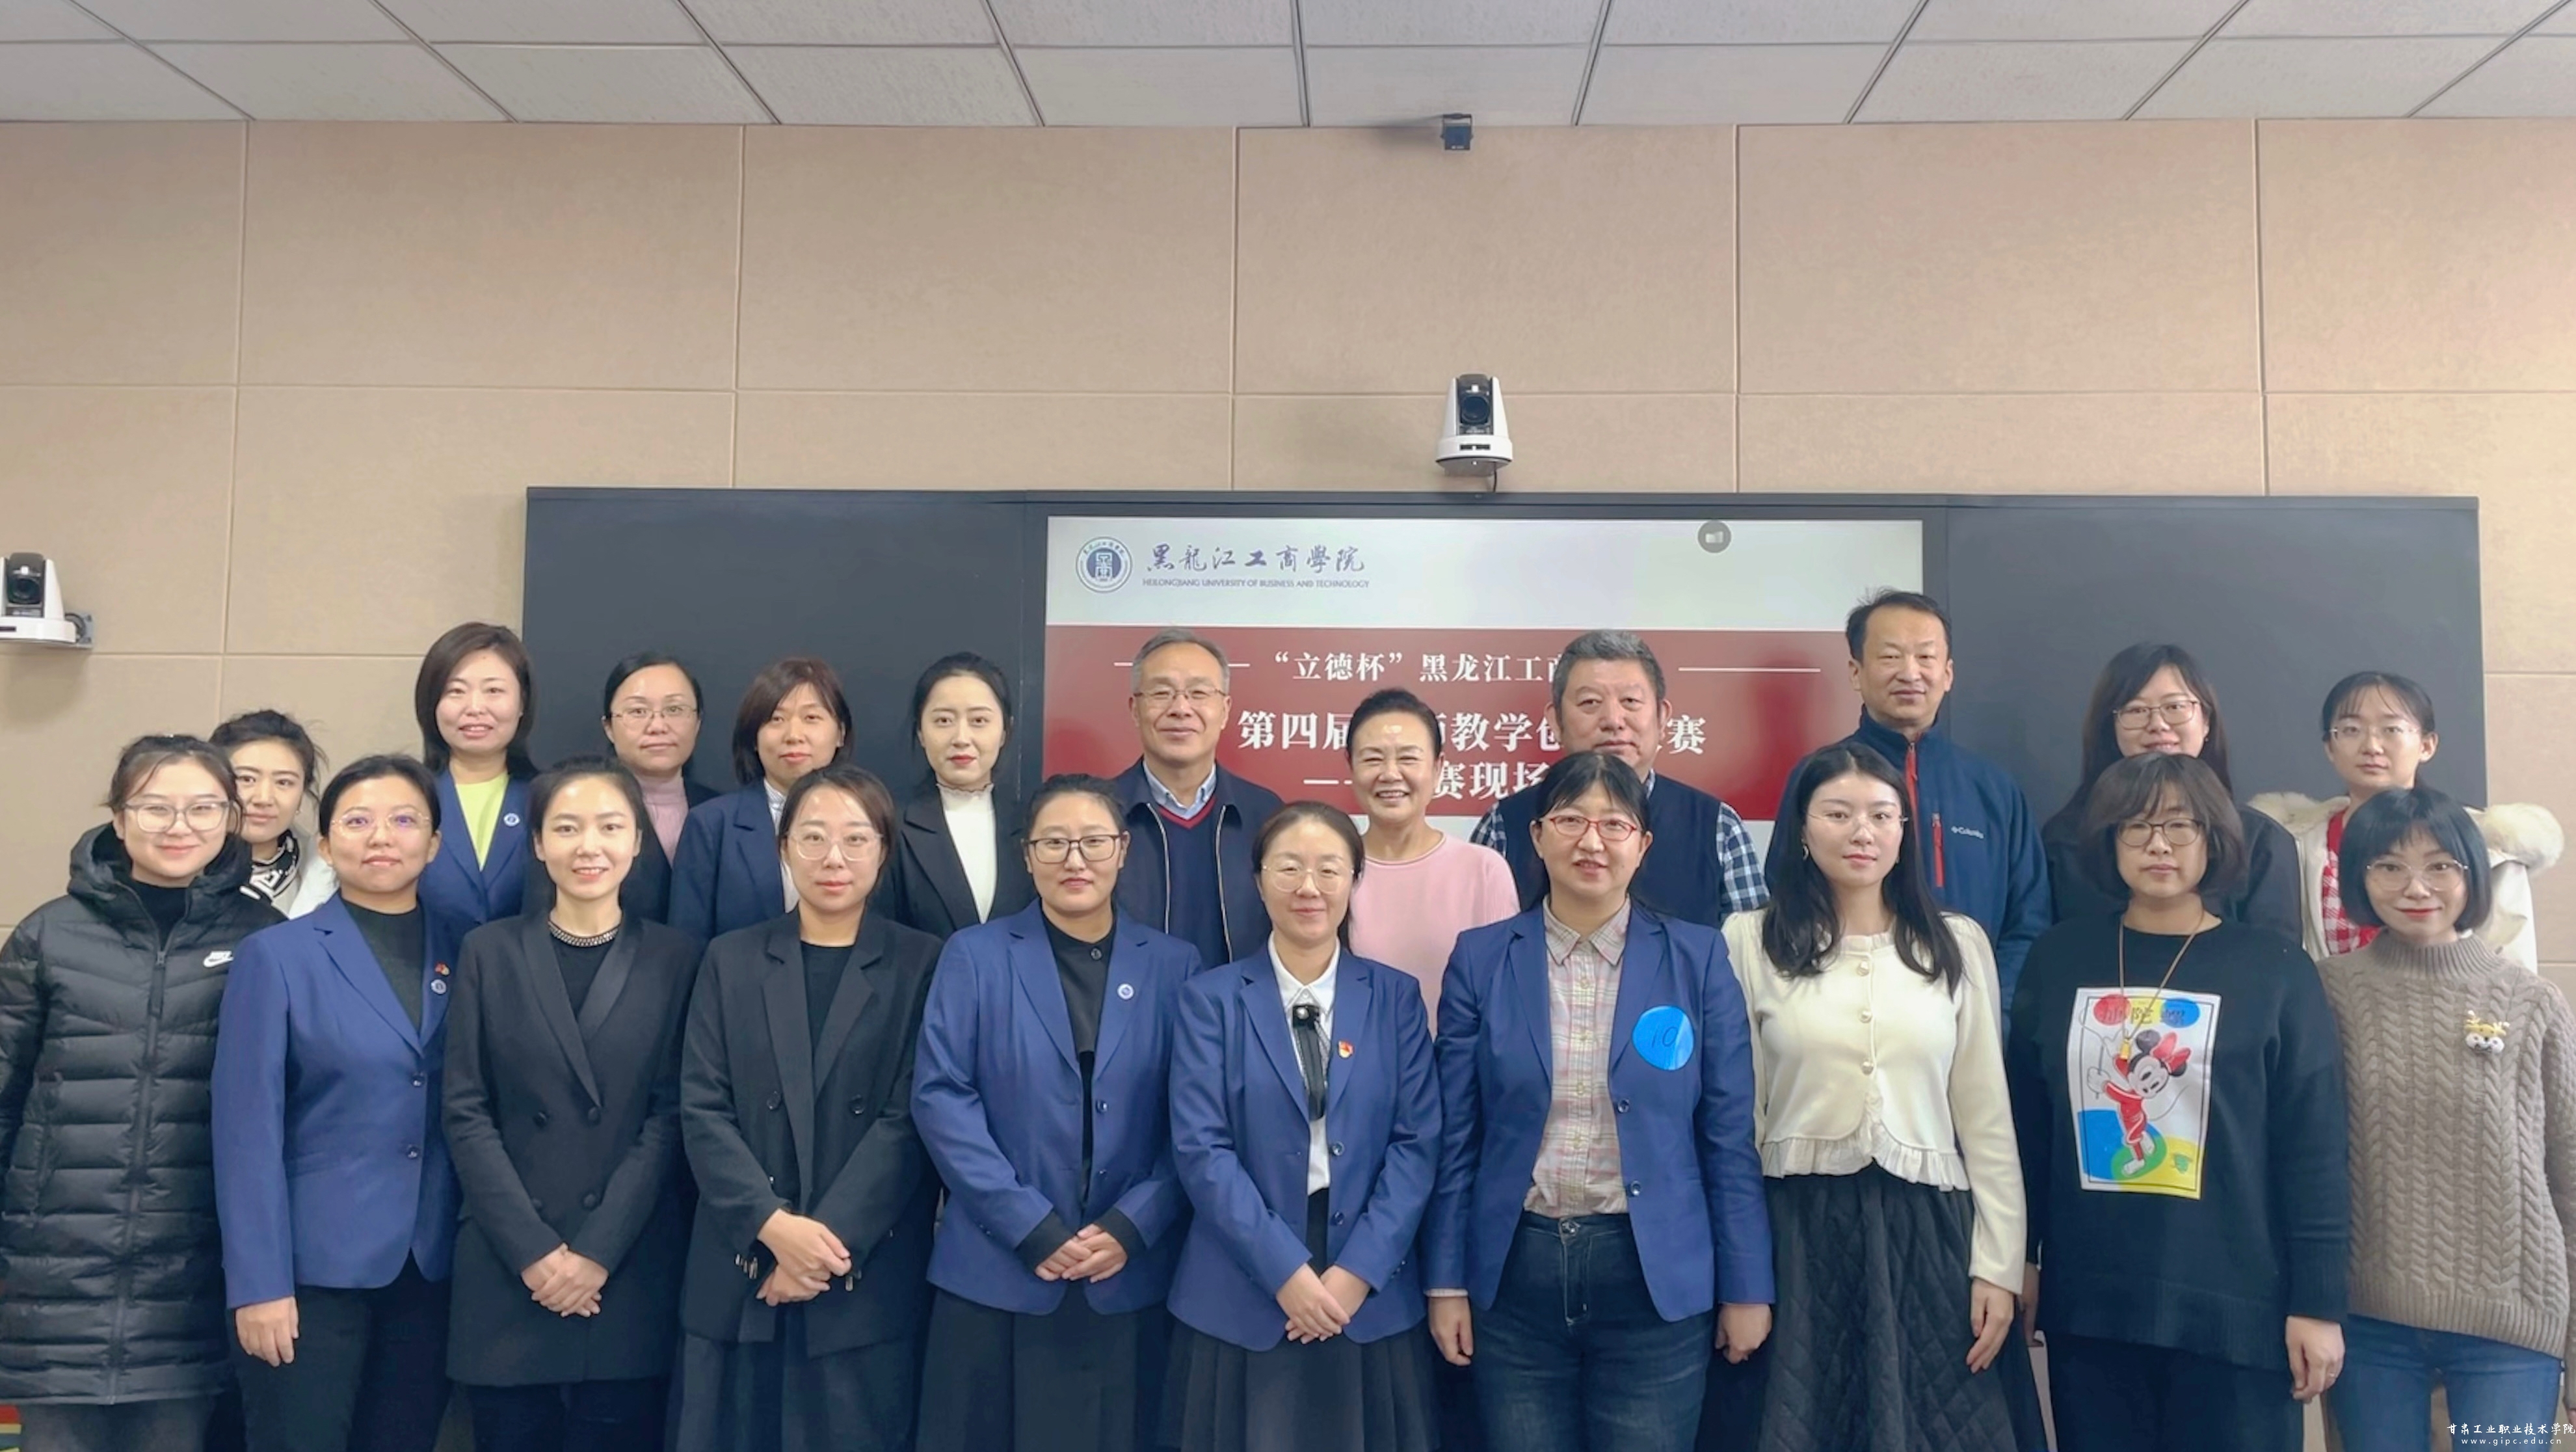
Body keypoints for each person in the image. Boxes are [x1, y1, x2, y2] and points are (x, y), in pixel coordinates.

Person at [1428, 751, 1773, 1452]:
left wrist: (1747, 1287)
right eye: (1570, 821)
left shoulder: (1698, 960)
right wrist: (1445, 1282)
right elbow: (1456, 1137)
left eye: (1614, 824)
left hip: (1653, 1280)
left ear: (1642, 845)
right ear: (1537, 836)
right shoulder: (1481, 958)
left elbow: (1726, 1140)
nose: (1591, 841)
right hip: (1514, 1279)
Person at [2006, 752, 2348, 1452]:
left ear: (2214, 838)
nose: (2157, 844)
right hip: (2093, 1306)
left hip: (2237, 1310)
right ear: (2107, 841)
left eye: (2178, 826)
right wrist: (2022, 1257)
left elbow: (2312, 1149)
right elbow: (2028, 1130)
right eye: (2135, 827)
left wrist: (2317, 1304)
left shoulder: (2275, 970)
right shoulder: (2059, 959)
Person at [1724, 744, 2023, 1452]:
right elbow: (1737, 1124)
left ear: (1902, 832)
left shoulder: (1956, 944)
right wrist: (1741, 1273)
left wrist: (1998, 1266)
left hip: (1930, 1237)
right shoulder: (1749, 940)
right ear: (1802, 829)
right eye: (1838, 814)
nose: (1862, 832)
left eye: (1881, 816)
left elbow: (1985, 1119)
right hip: (1796, 1233)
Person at [0, 736, 279, 1452]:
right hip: (53, 1277)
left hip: (188, 1280)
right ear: (119, 818)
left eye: (202, 808)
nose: (178, 826)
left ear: (230, 820)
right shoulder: (48, 935)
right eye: (155, 807)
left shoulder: (266, 941)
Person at [912, 773, 1202, 1452]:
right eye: (1054, 843)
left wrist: (1133, 1225)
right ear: (1027, 855)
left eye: (1093, 842)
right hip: (996, 1268)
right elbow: (942, 1097)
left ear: (1122, 850)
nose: (1075, 860)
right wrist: (1028, 1224)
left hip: (1126, 1269)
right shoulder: (974, 956)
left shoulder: (1175, 965)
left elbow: (1197, 1119)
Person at [674, 762, 942, 1452]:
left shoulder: (923, 964)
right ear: (783, 848)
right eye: (813, 837)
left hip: (862, 1273)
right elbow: (702, 1108)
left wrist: (817, 1249)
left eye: (856, 839)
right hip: (742, 1261)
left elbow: (908, 1119)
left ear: (883, 851)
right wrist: (772, 1228)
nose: (833, 858)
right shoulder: (730, 959)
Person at [1163, 801, 1444, 1452]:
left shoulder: (1395, 997)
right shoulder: (1210, 999)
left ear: (1354, 880)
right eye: (1288, 868)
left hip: (1366, 1281)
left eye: (1329, 869)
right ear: (1259, 882)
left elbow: (1417, 1144)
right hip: (1242, 1279)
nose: (1308, 887)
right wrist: (1283, 1271)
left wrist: (1357, 1272)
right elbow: (1201, 1149)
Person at [443, 757, 700, 1452]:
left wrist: (595, 1253)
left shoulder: (677, 958)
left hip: (626, 1264)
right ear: (537, 843)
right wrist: (534, 1252)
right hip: (508, 1265)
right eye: (567, 828)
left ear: (637, 841)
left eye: (610, 826)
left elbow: (671, 1115)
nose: (590, 846)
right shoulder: (488, 952)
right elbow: (466, 1109)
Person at [213, 755, 462, 1452]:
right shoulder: (276, 956)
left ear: (434, 843)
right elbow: (245, 1134)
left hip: (431, 1265)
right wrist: (258, 1284)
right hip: (307, 1275)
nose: (381, 836)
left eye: (404, 820)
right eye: (357, 821)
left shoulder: (472, 949)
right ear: (325, 844)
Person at [2315, 788, 2576, 1450]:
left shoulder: (2531, 1002)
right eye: (2388, 866)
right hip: (2368, 1323)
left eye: (2439, 866)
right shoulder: (2324, 993)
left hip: (2511, 1325)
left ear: (2472, 873)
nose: (2415, 887)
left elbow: (2569, 1175)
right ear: (2357, 878)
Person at [1772, 591, 2051, 1009]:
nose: (1910, 672)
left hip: (1974, 1016)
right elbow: (1787, 892)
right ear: (1856, 672)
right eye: (1890, 657)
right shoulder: (1819, 780)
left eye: (1925, 657)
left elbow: (2029, 923)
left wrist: (1996, 1011)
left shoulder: (1992, 788)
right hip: (1842, 1013)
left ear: (1948, 673)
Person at [2252, 671, 2562, 972]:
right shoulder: (2292, 845)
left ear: (2427, 745)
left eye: (2392, 729)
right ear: (2330, 748)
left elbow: (2513, 972)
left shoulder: (2487, 844)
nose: (2372, 746)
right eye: (2351, 730)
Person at [1474, 630, 1765, 930]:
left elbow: (1751, 950)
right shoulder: (1503, 826)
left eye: (1630, 701)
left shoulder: (1718, 826)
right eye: (1590, 702)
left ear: (1662, 718)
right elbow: (1480, 946)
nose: (1613, 720)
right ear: (1556, 721)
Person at [2041, 645, 2301, 941]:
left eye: (2175, 707)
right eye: (2136, 710)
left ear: (2206, 721)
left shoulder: (2262, 841)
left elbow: (2277, 960)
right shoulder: (2066, 840)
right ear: (2110, 727)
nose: (2158, 725)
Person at [1110, 628, 1284, 972]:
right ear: (1135, 709)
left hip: (1238, 1005)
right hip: (1128, 1004)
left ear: (1225, 710)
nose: (1181, 708)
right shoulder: (1099, 814)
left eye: (1199, 693)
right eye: (1162, 693)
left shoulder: (1266, 815)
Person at [1345, 688, 1518, 1015]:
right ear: (1351, 768)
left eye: (1408, 758)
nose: (1390, 774)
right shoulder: (1334, 872)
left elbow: (1504, 997)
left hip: (1459, 1048)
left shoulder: (1483, 870)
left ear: (1438, 768)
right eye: (1373, 759)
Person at [524, 651, 718, 927]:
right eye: (638, 711)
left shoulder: (719, 813)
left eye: (675, 710)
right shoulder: (567, 806)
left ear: (697, 722)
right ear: (609, 727)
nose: (658, 726)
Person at [670, 658, 855, 947]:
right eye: (776, 719)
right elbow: (687, 944)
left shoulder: (869, 820)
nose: (794, 735)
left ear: (840, 733)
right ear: (754, 738)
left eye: (811, 718)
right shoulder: (712, 825)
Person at [876, 652, 1035, 939]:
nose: (961, 738)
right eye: (944, 720)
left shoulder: (1034, 827)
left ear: (1004, 731)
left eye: (979, 720)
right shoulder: (891, 828)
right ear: (921, 732)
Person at [413, 621, 539, 948]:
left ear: (522, 703)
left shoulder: (549, 800)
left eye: (494, 691)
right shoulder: (407, 799)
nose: (475, 708)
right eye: (455, 691)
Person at [213, 710, 336, 919]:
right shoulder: (175, 861)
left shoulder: (328, 874)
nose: (264, 798)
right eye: (246, 779)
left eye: (284, 782)